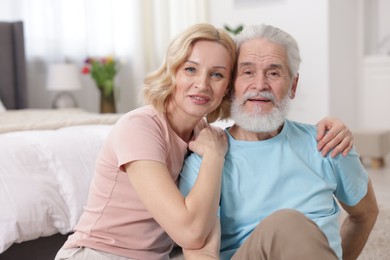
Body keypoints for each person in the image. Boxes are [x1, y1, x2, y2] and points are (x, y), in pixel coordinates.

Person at [55, 23, 353, 260]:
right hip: (98, 254)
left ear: (228, 87)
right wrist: (213, 157)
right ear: (172, 72)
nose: (202, 84)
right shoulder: (140, 128)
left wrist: (333, 125)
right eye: (190, 69)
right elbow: (192, 233)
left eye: (217, 74)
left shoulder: (202, 133)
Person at [180, 24, 379, 260]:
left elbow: (365, 214)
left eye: (273, 73)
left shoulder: (327, 143)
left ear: (293, 86)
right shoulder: (206, 157)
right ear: (230, 86)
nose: (260, 85)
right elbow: (198, 250)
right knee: (287, 224)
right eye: (247, 72)